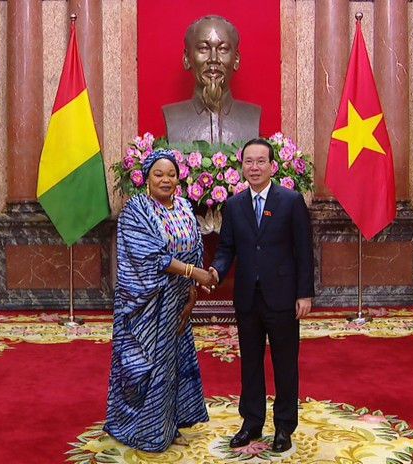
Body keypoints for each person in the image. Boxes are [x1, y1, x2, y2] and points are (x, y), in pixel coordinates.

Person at [104, 149, 215, 452]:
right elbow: (151, 256)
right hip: (146, 302)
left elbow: (194, 247)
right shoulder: (136, 210)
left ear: (179, 178)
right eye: (158, 174)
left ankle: (169, 423)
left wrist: (191, 290)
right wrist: (196, 273)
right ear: (146, 178)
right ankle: (142, 429)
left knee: (173, 363)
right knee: (147, 364)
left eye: (170, 174)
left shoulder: (183, 206)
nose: (165, 180)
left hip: (177, 300)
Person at [209, 138, 314, 453]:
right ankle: (251, 422)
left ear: (272, 166)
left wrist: (304, 294)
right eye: (248, 162)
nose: (254, 167)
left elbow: (303, 252)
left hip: (282, 296)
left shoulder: (291, 201)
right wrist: (215, 271)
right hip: (247, 298)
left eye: (260, 161)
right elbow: (227, 247)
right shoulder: (234, 204)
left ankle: (284, 426)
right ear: (241, 166)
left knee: (285, 364)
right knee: (250, 363)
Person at [162, 15, 260, 144]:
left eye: (223, 49)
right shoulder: (173, 116)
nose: (213, 59)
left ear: (236, 59)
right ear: (187, 58)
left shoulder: (252, 115)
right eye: (203, 48)